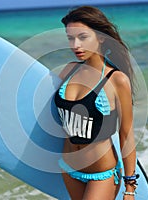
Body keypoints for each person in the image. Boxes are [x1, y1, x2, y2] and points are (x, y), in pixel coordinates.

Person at [54, 6, 138, 200]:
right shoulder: (69, 70)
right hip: (68, 167)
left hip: (101, 174)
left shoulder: (117, 80)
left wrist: (130, 187)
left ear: (100, 36)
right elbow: (43, 115)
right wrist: (6, 152)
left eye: (82, 37)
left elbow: (126, 134)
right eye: (70, 38)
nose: (75, 45)